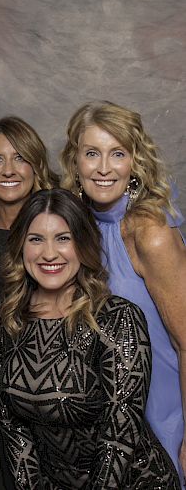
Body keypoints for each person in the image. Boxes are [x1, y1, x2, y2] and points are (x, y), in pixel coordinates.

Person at [0, 188, 179, 488]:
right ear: (20, 246)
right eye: (36, 239)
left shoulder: (117, 318)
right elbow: (12, 428)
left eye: (63, 238)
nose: (48, 253)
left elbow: (119, 436)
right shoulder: (5, 321)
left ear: (83, 244)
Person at [60, 100, 186, 484]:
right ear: (75, 160)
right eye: (92, 153)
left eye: (118, 154)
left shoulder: (149, 232)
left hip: (160, 409)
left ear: (135, 162)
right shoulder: (72, 224)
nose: (102, 168)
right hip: (101, 417)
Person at [0, 116, 56, 489]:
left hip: (53, 381)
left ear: (36, 166)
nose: (9, 170)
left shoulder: (59, 225)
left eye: (20, 158)